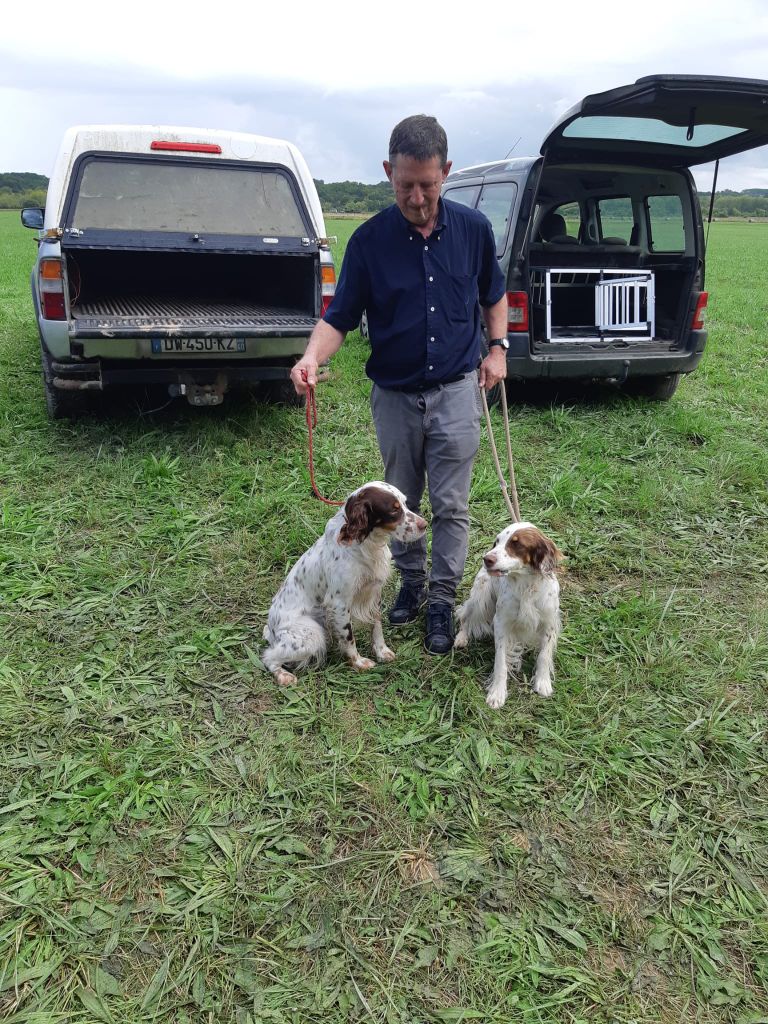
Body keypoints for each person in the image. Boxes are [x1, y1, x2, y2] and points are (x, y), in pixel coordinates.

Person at [291, 114, 508, 654]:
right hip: (394, 398)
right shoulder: (368, 242)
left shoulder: (474, 231)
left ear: (447, 173)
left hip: (458, 390)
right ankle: (409, 585)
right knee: (401, 500)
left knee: (452, 505)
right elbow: (339, 316)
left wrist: (499, 349)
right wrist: (311, 358)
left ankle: (440, 598)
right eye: (405, 184)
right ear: (389, 171)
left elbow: (493, 296)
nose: (416, 197)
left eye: (428, 185)